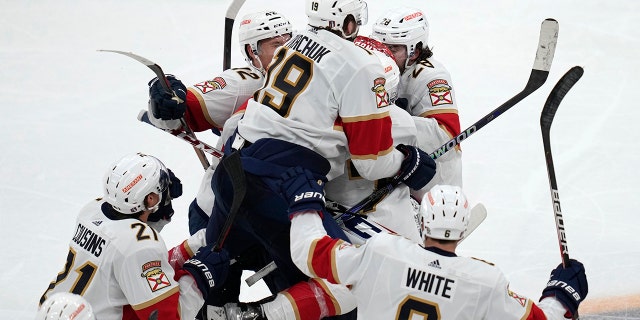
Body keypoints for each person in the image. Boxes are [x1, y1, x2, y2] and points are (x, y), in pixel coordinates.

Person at [204, 0, 438, 318]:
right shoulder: (364, 73)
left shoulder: (295, 41)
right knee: (350, 281)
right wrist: (407, 163)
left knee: (208, 270)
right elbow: (371, 162)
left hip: (231, 173)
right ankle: (253, 316)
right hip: (284, 190)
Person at [284, 172, 589, 319]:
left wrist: (305, 205)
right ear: (463, 228)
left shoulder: (382, 252)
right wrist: (562, 294)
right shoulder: (484, 282)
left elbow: (310, 252)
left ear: (423, 222)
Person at [39, 153, 229, 320]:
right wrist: (198, 278)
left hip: (56, 310)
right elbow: (168, 317)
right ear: (150, 199)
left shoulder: (91, 211)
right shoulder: (140, 246)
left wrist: (192, 242)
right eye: (161, 188)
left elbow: (128, 258)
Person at [370, 7, 463, 195]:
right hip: (403, 170)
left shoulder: (433, 77)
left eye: (392, 49)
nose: (383, 53)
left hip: (434, 183)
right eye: (379, 45)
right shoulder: (382, 69)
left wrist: (386, 119)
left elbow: (445, 135)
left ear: (414, 51)